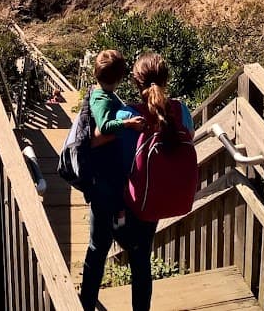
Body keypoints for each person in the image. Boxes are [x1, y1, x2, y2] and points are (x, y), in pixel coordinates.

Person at [115, 52, 194, 311]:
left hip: (136, 200)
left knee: (139, 261)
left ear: (135, 82)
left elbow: (119, 162)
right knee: (142, 254)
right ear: (167, 79)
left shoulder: (127, 115)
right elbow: (188, 139)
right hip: (163, 192)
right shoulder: (180, 110)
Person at [78, 49, 146, 311]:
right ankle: (86, 299)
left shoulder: (103, 94)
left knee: (102, 242)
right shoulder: (101, 99)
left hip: (108, 182)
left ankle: (87, 298)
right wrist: (128, 124)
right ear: (119, 79)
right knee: (99, 244)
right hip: (103, 183)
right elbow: (104, 128)